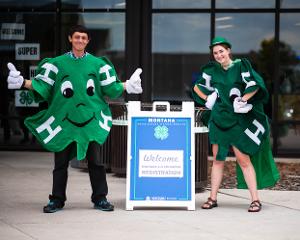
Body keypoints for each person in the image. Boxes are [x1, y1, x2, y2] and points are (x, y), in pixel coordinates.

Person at [7, 25, 143, 213]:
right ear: (70, 38)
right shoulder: (56, 64)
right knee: (60, 164)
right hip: (64, 122)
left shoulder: (97, 64)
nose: (80, 40)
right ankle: (56, 200)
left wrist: (127, 85)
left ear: (87, 41)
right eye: (77, 37)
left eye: (83, 38)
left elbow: (110, 87)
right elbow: (43, 86)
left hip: (90, 122)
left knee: (96, 162)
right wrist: (22, 82)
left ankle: (100, 198)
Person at [192, 37, 280, 212]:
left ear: (228, 51)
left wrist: (243, 99)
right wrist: (208, 99)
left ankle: (255, 200)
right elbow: (197, 87)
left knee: (243, 160)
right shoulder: (212, 71)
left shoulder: (241, 66)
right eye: (215, 53)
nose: (218, 55)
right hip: (218, 119)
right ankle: (213, 198)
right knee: (217, 160)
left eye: (221, 51)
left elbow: (255, 84)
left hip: (237, 120)